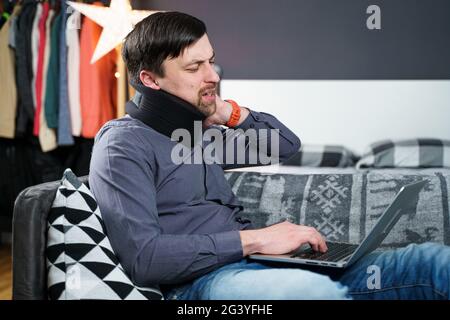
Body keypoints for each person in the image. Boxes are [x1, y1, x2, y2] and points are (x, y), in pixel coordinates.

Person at [89, 11, 450, 300]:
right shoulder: (122, 145)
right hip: (203, 284)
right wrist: (258, 239)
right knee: (309, 293)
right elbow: (144, 259)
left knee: (434, 262)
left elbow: (283, 147)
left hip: (263, 265)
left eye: (210, 62)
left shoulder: (199, 135)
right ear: (151, 80)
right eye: (194, 67)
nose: (212, 75)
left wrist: (230, 112)